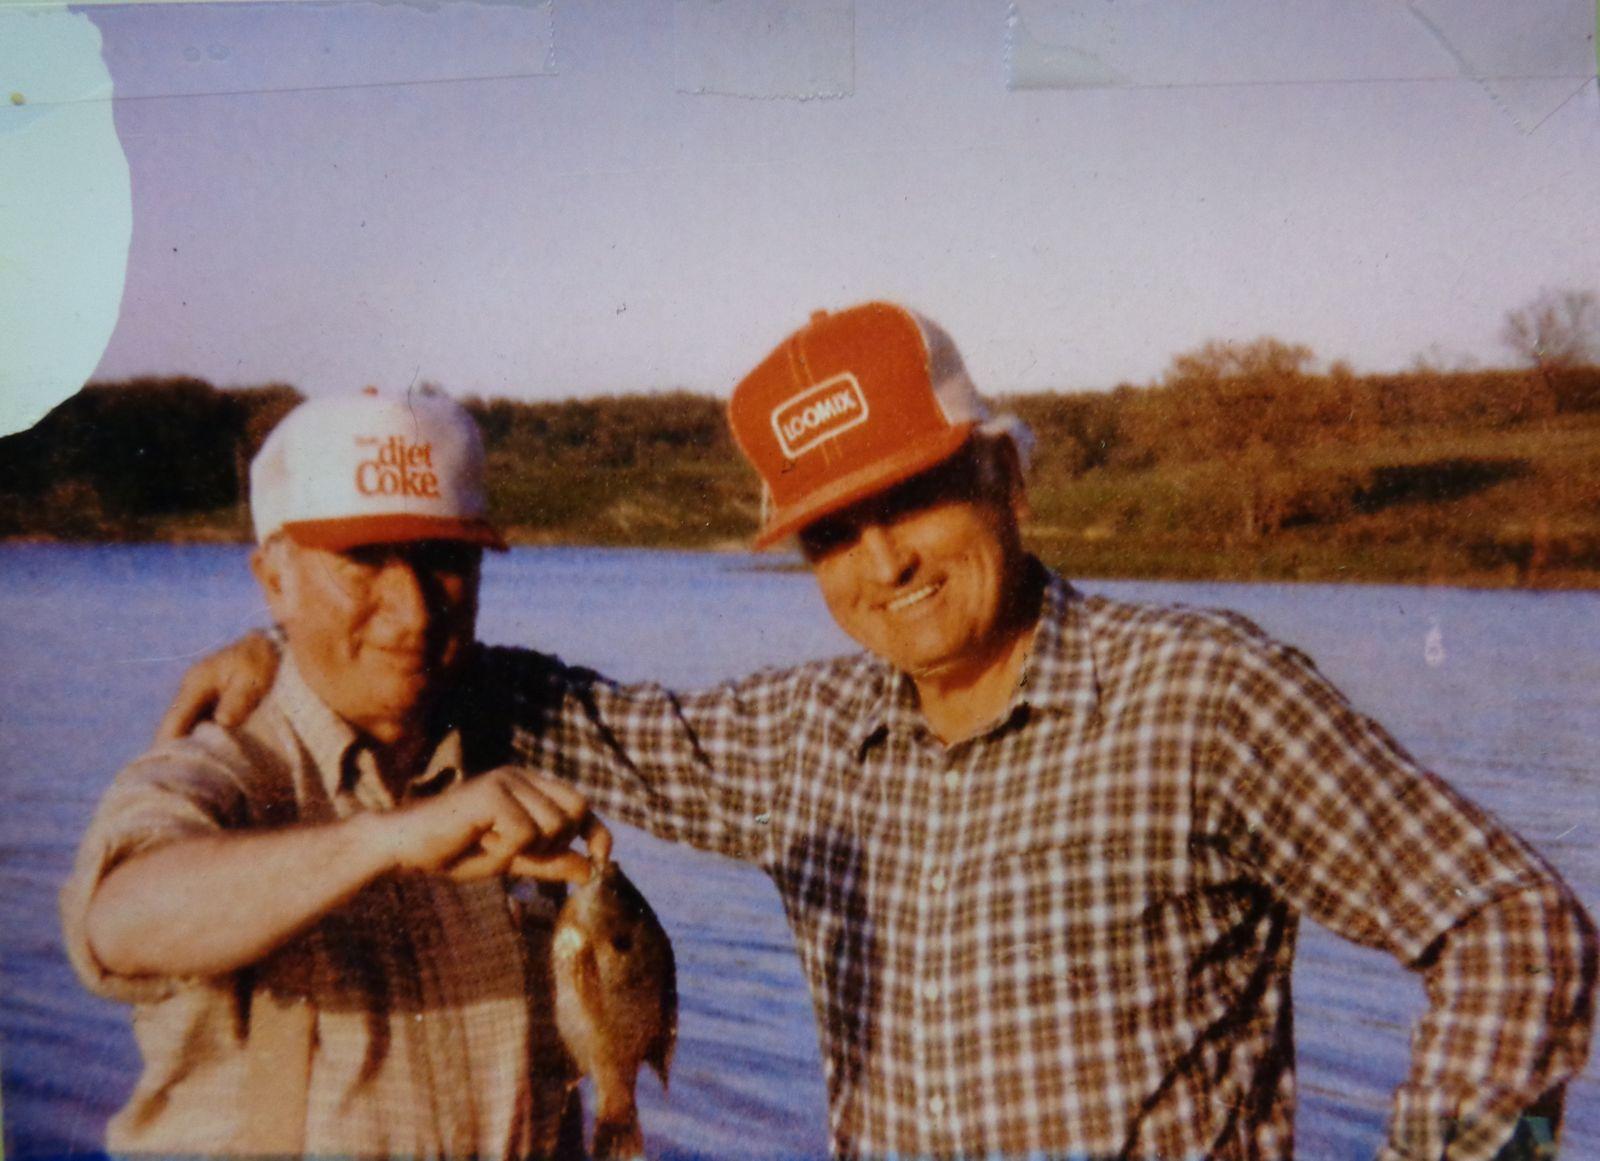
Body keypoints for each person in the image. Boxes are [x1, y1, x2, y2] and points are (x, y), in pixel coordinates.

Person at [167, 304, 1596, 1160]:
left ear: (1003, 472)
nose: (886, 564)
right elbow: (547, 706)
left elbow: (1514, 926)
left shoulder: (1204, 695)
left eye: (912, 498)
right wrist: (295, 640)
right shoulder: (805, 738)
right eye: (832, 533)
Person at [62, 387, 609, 1158]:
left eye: (444, 560)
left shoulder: (509, 750)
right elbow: (118, 921)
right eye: (363, 561)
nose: (413, 610)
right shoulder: (220, 765)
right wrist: (384, 841)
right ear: (274, 580)